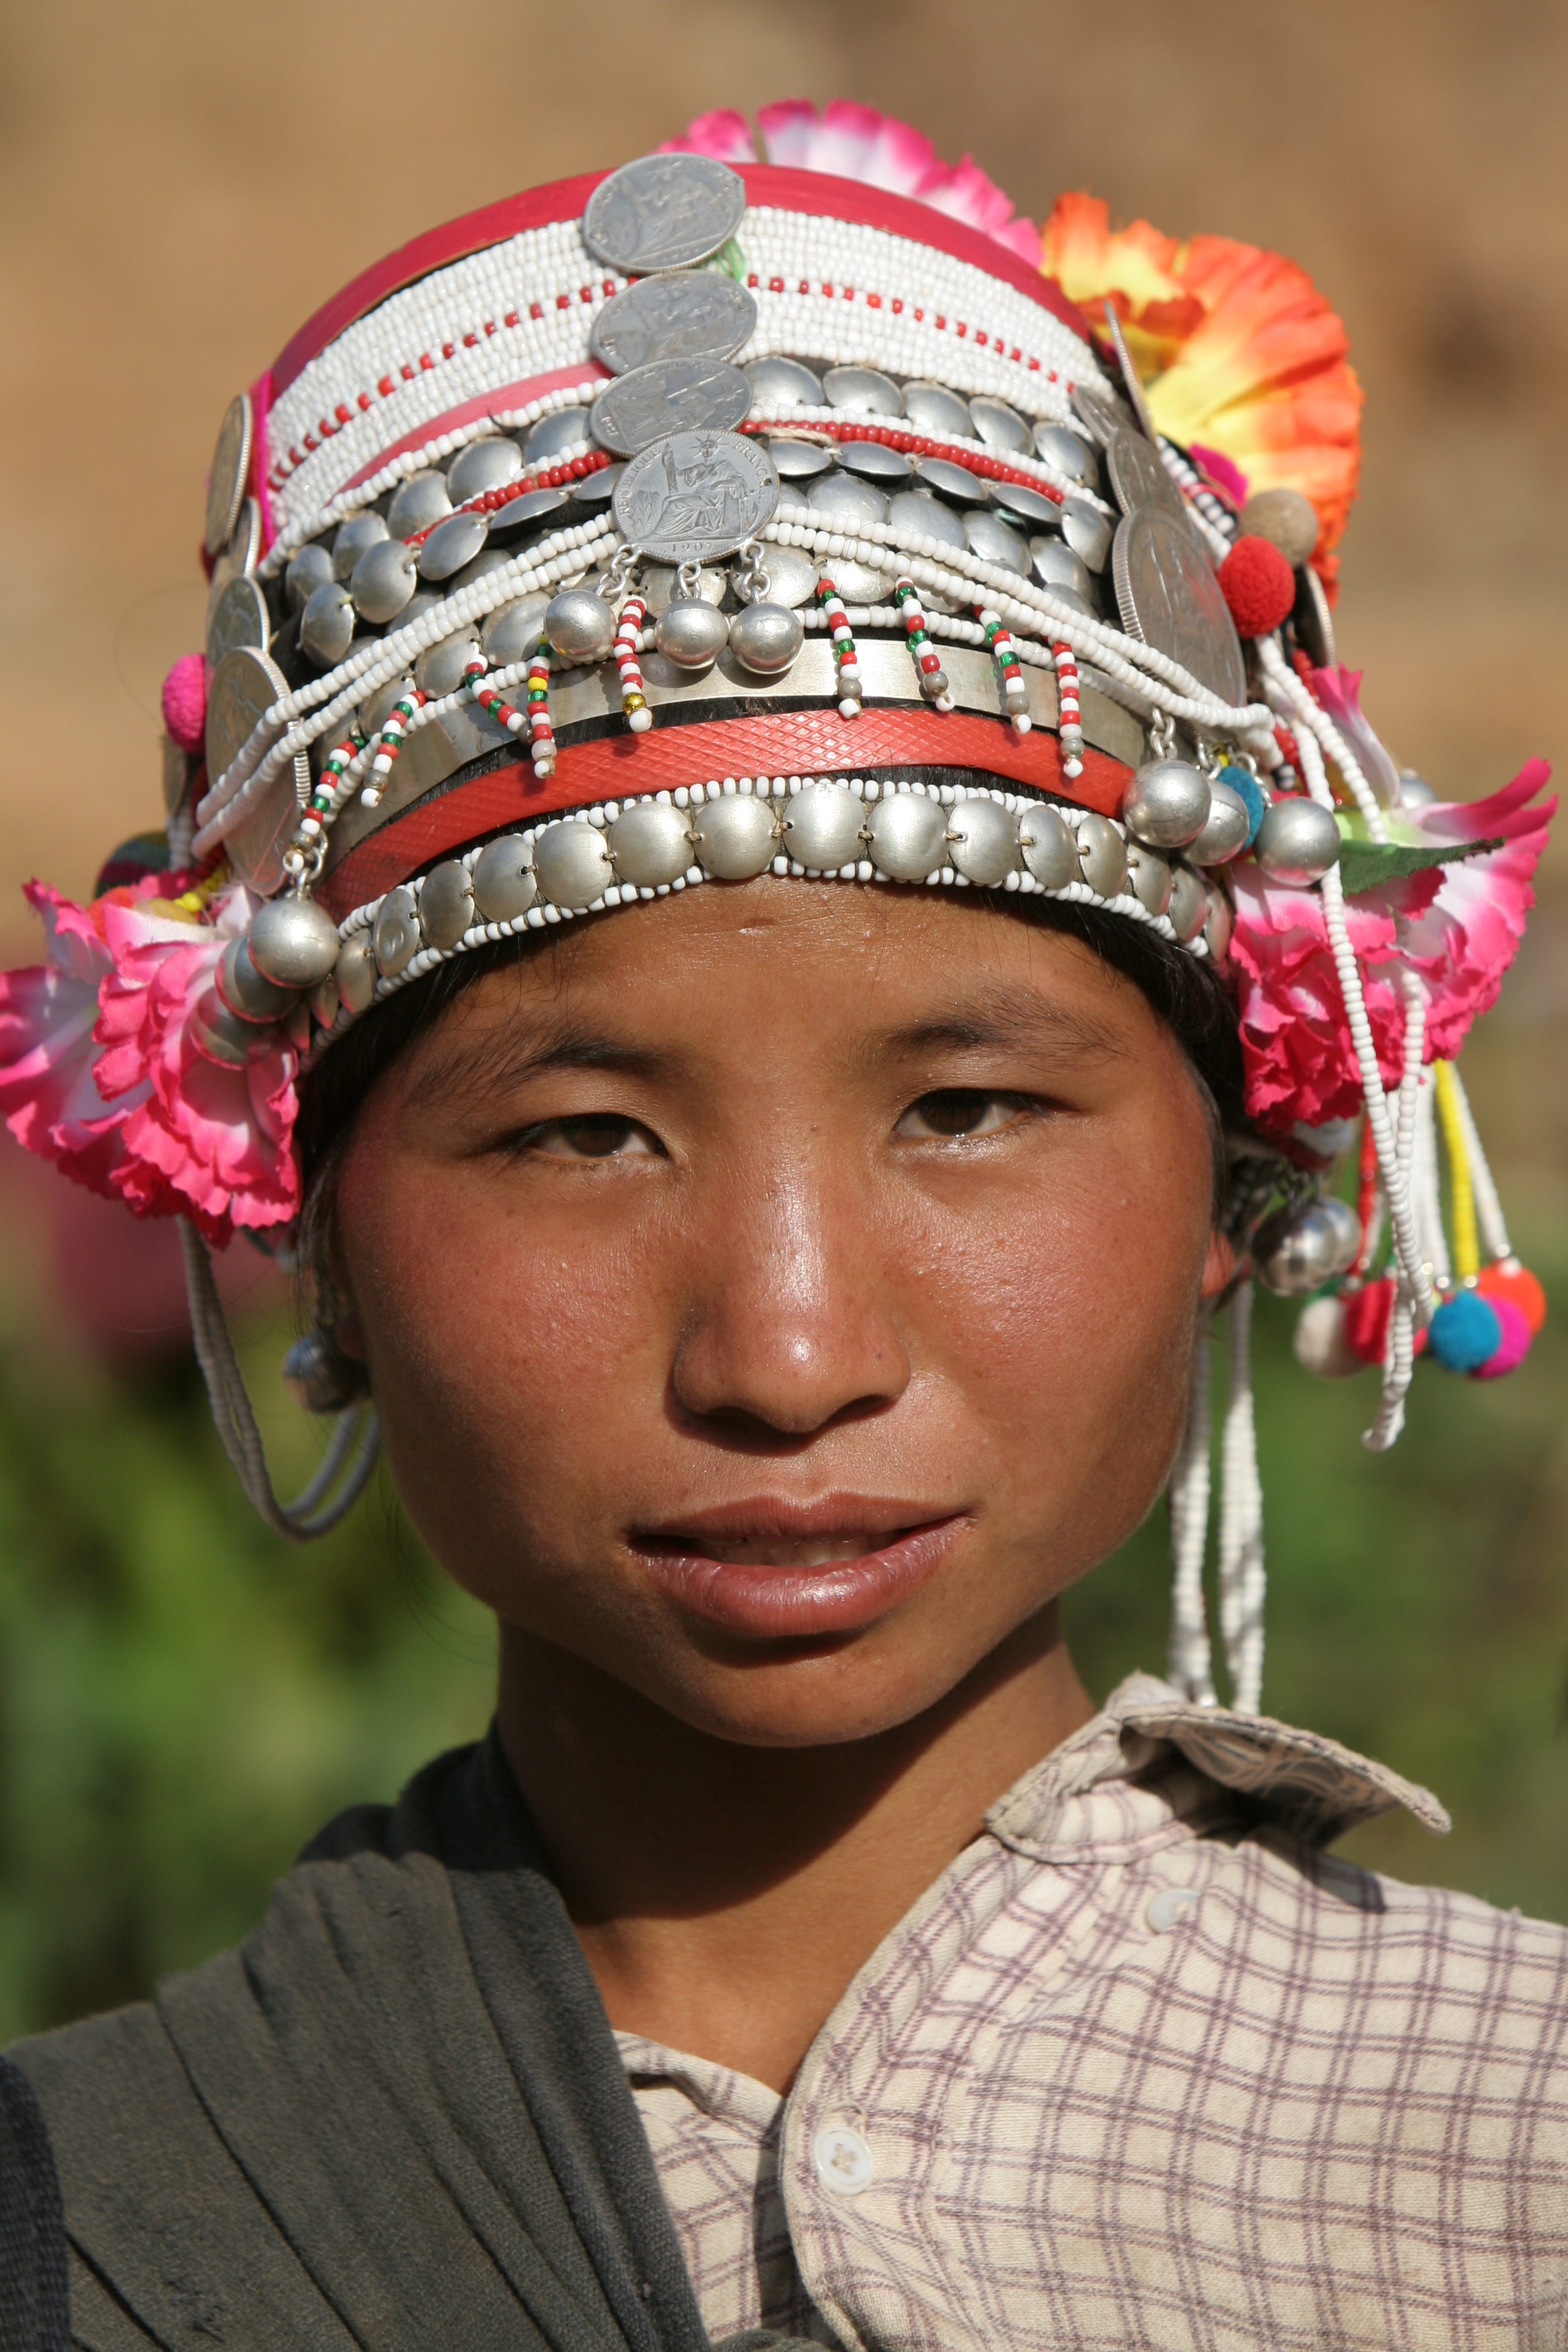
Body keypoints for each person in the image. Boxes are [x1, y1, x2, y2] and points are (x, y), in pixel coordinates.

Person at [0, 98, 1562, 2352]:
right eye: (581, 1140)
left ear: (1241, 1166)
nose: (790, 1348)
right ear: (315, 1227)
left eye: (966, 1109)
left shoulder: (1512, 2169)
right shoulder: (103, 2232)